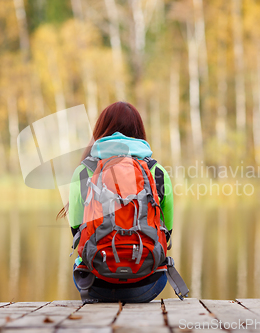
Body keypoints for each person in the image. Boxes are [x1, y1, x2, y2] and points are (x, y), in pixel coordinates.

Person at [58, 101, 174, 303]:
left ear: (101, 130)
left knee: (79, 259)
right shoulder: (157, 172)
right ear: (138, 131)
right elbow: (167, 232)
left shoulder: (84, 172)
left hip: (94, 285)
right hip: (148, 285)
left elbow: (77, 231)